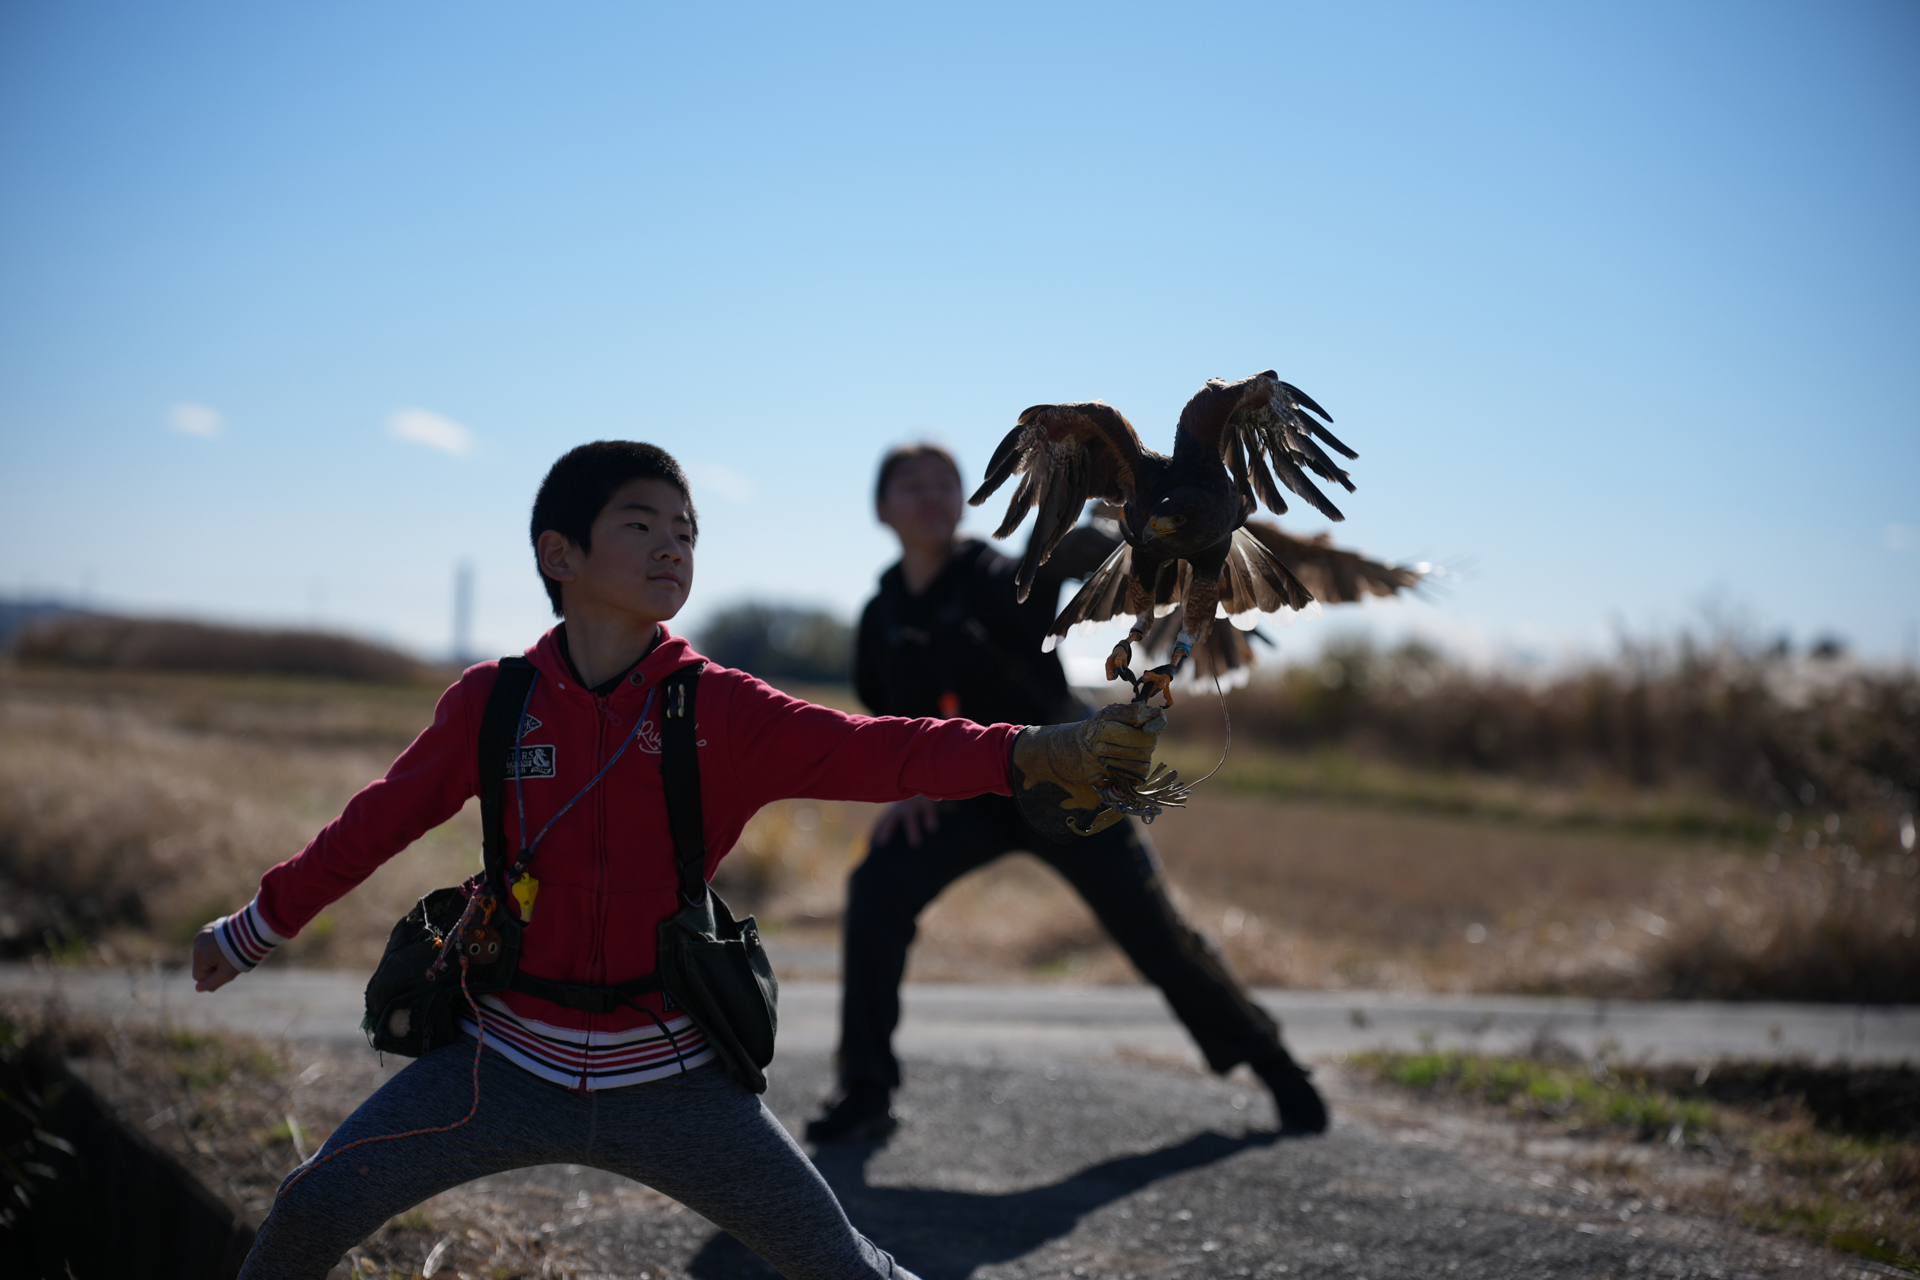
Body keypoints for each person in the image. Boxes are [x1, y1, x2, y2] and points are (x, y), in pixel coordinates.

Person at [191, 441, 1166, 1280]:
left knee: (838, 1263)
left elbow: (883, 748)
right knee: (313, 1205)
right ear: (558, 553)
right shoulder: (492, 701)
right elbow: (373, 824)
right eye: (642, 523)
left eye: (689, 530)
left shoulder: (722, 708)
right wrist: (254, 926)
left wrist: (1034, 751)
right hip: (499, 1059)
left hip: (675, 1074)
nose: (673, 544)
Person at [804, 443, 1327, 1144]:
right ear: (881, 509)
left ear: (964, 500)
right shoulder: (882, 614)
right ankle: (864, 1091)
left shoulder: (1002, 573)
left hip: (1070, 783)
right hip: (966, 796)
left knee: (1159, 941)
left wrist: (1154, 533)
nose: (931, 495)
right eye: (911, 485)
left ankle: (1275, 1064)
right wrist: (906, 788)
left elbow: (1078, 548)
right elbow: (886, 722)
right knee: (876, 890)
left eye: (944, 483)